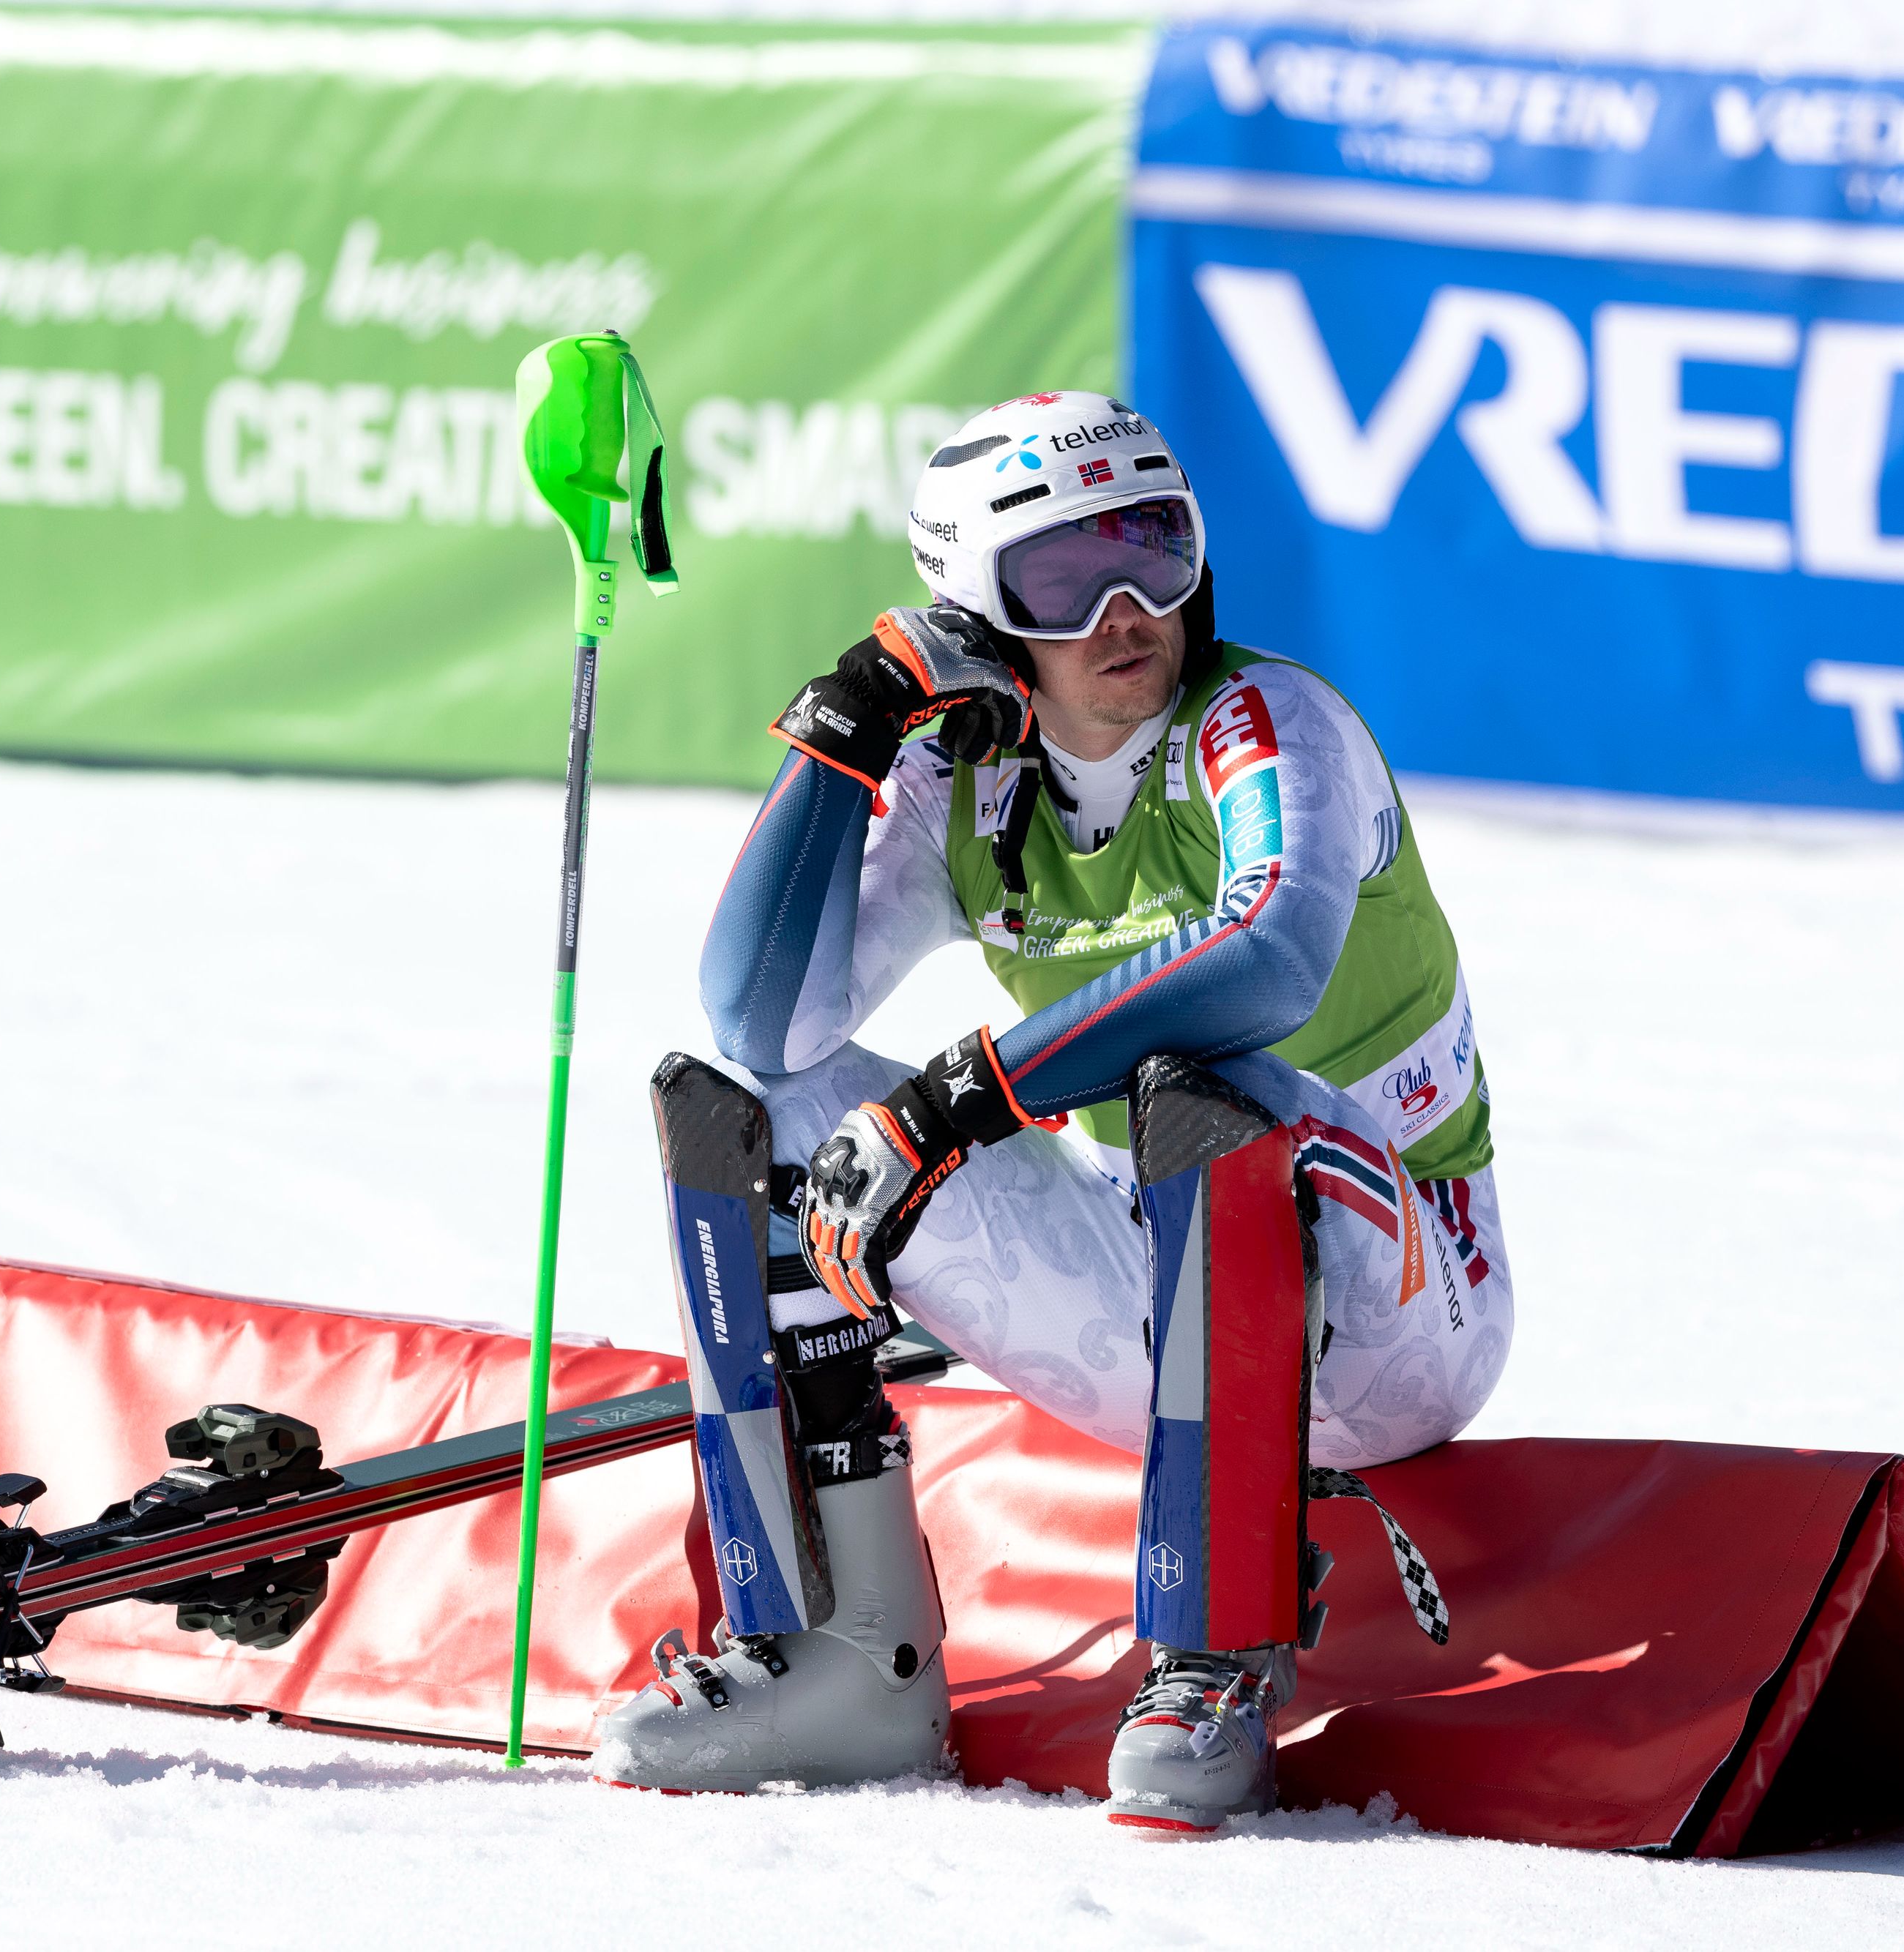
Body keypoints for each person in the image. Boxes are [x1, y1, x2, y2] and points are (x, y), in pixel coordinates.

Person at [592, 392, 1512, 1831]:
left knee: (1209, 1083)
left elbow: (1265, 957)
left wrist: (963, 1094)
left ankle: (1212, 1656)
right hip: (1154, 1297)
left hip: (1402, 1316)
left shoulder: (1274, 723)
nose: (1127, 605)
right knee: (764, 1106)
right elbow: (760, 1018)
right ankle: (844, 1658)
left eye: (1154, 544)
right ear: (970, 607)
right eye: (1062, 576)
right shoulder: (969, 774)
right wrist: (843, 732)